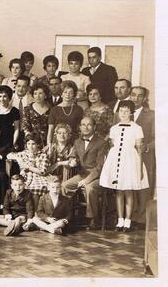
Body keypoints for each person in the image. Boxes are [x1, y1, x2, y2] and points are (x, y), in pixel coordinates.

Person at [100, 100, 149, 232]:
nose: (123, 113)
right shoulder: (114, 128)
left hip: (130, 161)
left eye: (126, 111)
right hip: (116, 160)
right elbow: (113, 145)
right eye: (121, 111)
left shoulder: (137, 128)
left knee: (128, 191)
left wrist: (139, 168)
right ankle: (120, 221)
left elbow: (139, 148)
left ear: (131, 113)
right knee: (119, 191)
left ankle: (128, 221)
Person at [61, 116, 107, 230]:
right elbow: (74, 155)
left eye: (89, 125)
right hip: (82, 174)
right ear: (80, 127)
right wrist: (73, 161)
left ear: (94, 127)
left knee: (90, 188)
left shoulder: (101, 143)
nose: (86, 127)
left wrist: (87, 180)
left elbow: (100, 166)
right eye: (83, 125)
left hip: (98, 176)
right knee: (64, 186)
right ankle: (66, 215)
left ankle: (92, 219)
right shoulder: (77, 141)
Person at [130, 86, 155, 225]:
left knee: (145, 186)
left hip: (145, 156)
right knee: (129, 185)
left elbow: (159, 137)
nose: (136, 98)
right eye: (133, 95)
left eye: (140, 96)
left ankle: (142, 219)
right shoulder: (124, 113)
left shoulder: (151, 114)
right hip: (128, 156)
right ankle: (130, 216)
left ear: (145, 98)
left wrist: (147, 147)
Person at [7, 133, 50, 211]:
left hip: (39, 177)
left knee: (36, 189)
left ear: (38, 144)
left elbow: (42, 171)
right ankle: (26, 212)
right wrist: (18, 159)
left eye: (33, 144)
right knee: (21, 186)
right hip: (26, 177)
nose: (31, 146)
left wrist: (28, 167)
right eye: (28, 144)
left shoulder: (43, 155)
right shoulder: (23, 154)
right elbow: (9, 155)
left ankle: (37, 212)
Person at [47, 80, 84, 146]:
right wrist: (49, 145)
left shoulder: (79, 109)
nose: (67, 95)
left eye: (70, 92)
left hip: (74, 142)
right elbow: (50, 130)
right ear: (61, 94)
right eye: (65, 92)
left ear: (74, 95)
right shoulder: (54, 110)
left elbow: (81, 129)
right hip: (58, 143)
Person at [22, 82, 50, 147]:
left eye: (40, 93)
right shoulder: (27, 109)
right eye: (35, 93)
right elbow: (25, 126)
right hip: (31, 142)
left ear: (45, 95)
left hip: (47, 142)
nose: (37, 96)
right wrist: (31, 139)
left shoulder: (52, 109)